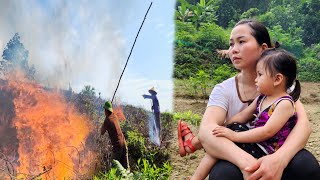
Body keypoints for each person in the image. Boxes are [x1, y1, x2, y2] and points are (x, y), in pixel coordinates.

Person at [177, 19, 320, 180]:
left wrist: (279, 160)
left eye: (241, 42)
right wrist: (249, 165)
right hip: (241, 153)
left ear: (263, 48)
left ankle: (192, 144)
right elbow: (208, 130)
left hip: (273, 149)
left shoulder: (281, 88)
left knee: (306, 166)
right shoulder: (223, 90)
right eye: (231, 44)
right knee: (223, 174)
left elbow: (303, 127)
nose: (233, 50)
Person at [100, 101, 129, 169]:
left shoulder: (107, 120)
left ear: (106, 110)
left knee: (114, 168)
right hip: (124, 144)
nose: (104, 111)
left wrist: (104, 122)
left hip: (117, 146)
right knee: (125, 168)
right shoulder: (115, 116)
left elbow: (102, 132)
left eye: (105, 110)